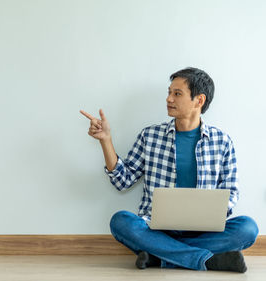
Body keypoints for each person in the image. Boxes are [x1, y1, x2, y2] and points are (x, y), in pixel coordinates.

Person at [80, 67, 258, 273]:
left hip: (204, 232)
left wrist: (210, 212)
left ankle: (158, 256)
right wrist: (106, 141)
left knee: (247, 228)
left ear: (199, 100)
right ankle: (207, 260)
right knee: (121, 222)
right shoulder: (150, 136)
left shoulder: (222, 142)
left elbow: (231, 192)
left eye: (177, 94)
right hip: (156, 230)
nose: (169, 99)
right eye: (169, 92)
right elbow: (123, 181)